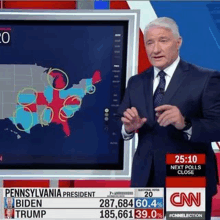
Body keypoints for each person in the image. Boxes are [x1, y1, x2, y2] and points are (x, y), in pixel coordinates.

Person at [117, 17, 220, 220]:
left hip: (187, 172)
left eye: (163, 40)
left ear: (178, 42)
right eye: (150, 42)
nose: (155, 49)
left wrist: (185, 124)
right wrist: (128, 128)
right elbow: (118, 121)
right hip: (146, 177)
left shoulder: (205, 79)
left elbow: (218, 126)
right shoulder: (136, 82)